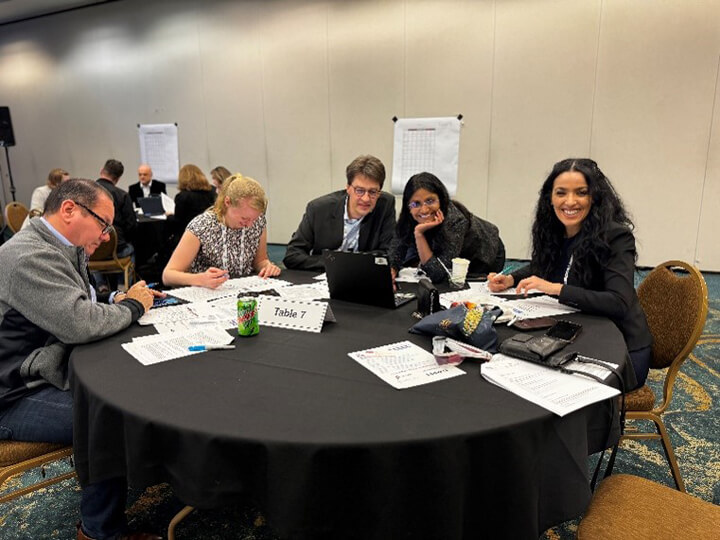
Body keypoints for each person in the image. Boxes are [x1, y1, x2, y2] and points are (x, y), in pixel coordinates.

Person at [0, 179, 161, 540]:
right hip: (13, 396)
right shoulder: (28, 256)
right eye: (103, 224)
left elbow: (79, 303)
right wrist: (134, 305)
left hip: (40, 373)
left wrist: (114, 300)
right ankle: (100, 532)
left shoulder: (57, 247)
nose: (106, 236)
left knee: (123, 390)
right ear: (70, 209)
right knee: (108, 418)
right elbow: (79, 323)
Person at [487, 158, 653, 388]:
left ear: (595, 197)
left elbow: (618, 302)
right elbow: (543, 265)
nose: (570, 201)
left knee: (542, 382)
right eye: (561, 193)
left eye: (581, 193)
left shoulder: (616, 236)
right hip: (578, 331)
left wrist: (556, 289)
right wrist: (511, 278)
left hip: (622, 348)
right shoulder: (555, 229)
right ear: (550, 198)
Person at [162, 174, 281, 288]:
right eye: (244, 218)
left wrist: (267, 266)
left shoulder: (258, 222)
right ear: (227, 202)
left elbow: (260, 261)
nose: (249, 225)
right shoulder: (203, 225)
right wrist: (200, 279)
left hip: (243, 291)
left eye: (254, 219)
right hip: (207, 294)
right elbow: (168, 275)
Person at [283, 155, 396, 271]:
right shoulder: (318, 209)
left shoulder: (385, 204)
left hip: (363, 276)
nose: (366, 199)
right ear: (348, 188)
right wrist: (336, 264)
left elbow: (389, 252)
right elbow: (293, 255)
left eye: (373, 192)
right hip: (323, 275)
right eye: (359, 191)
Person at [388, 172, 505, 284]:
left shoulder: (455, 221)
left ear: (441, 199)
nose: (424, 210)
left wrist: (419, 234)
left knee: (457, 285)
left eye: (430, 201)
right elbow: (396, 252)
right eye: (416, 204)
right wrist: (391, 271)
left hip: (483, 254)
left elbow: (437, 274)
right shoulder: (408, 217)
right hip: (446, 251)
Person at [95, 159, 137, 259]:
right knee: (131, 249)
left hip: (90, 251)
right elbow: (131, 226)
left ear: (101, 171)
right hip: (116, 250)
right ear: (118, 178)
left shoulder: (84, 192)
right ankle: (126, 275)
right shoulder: (123, 196)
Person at [172, 164, 216, 233]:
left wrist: (169, 216)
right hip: (209, 232)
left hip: (189, 234)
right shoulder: (212, 190)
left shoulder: (182, 197)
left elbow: (178, 222)